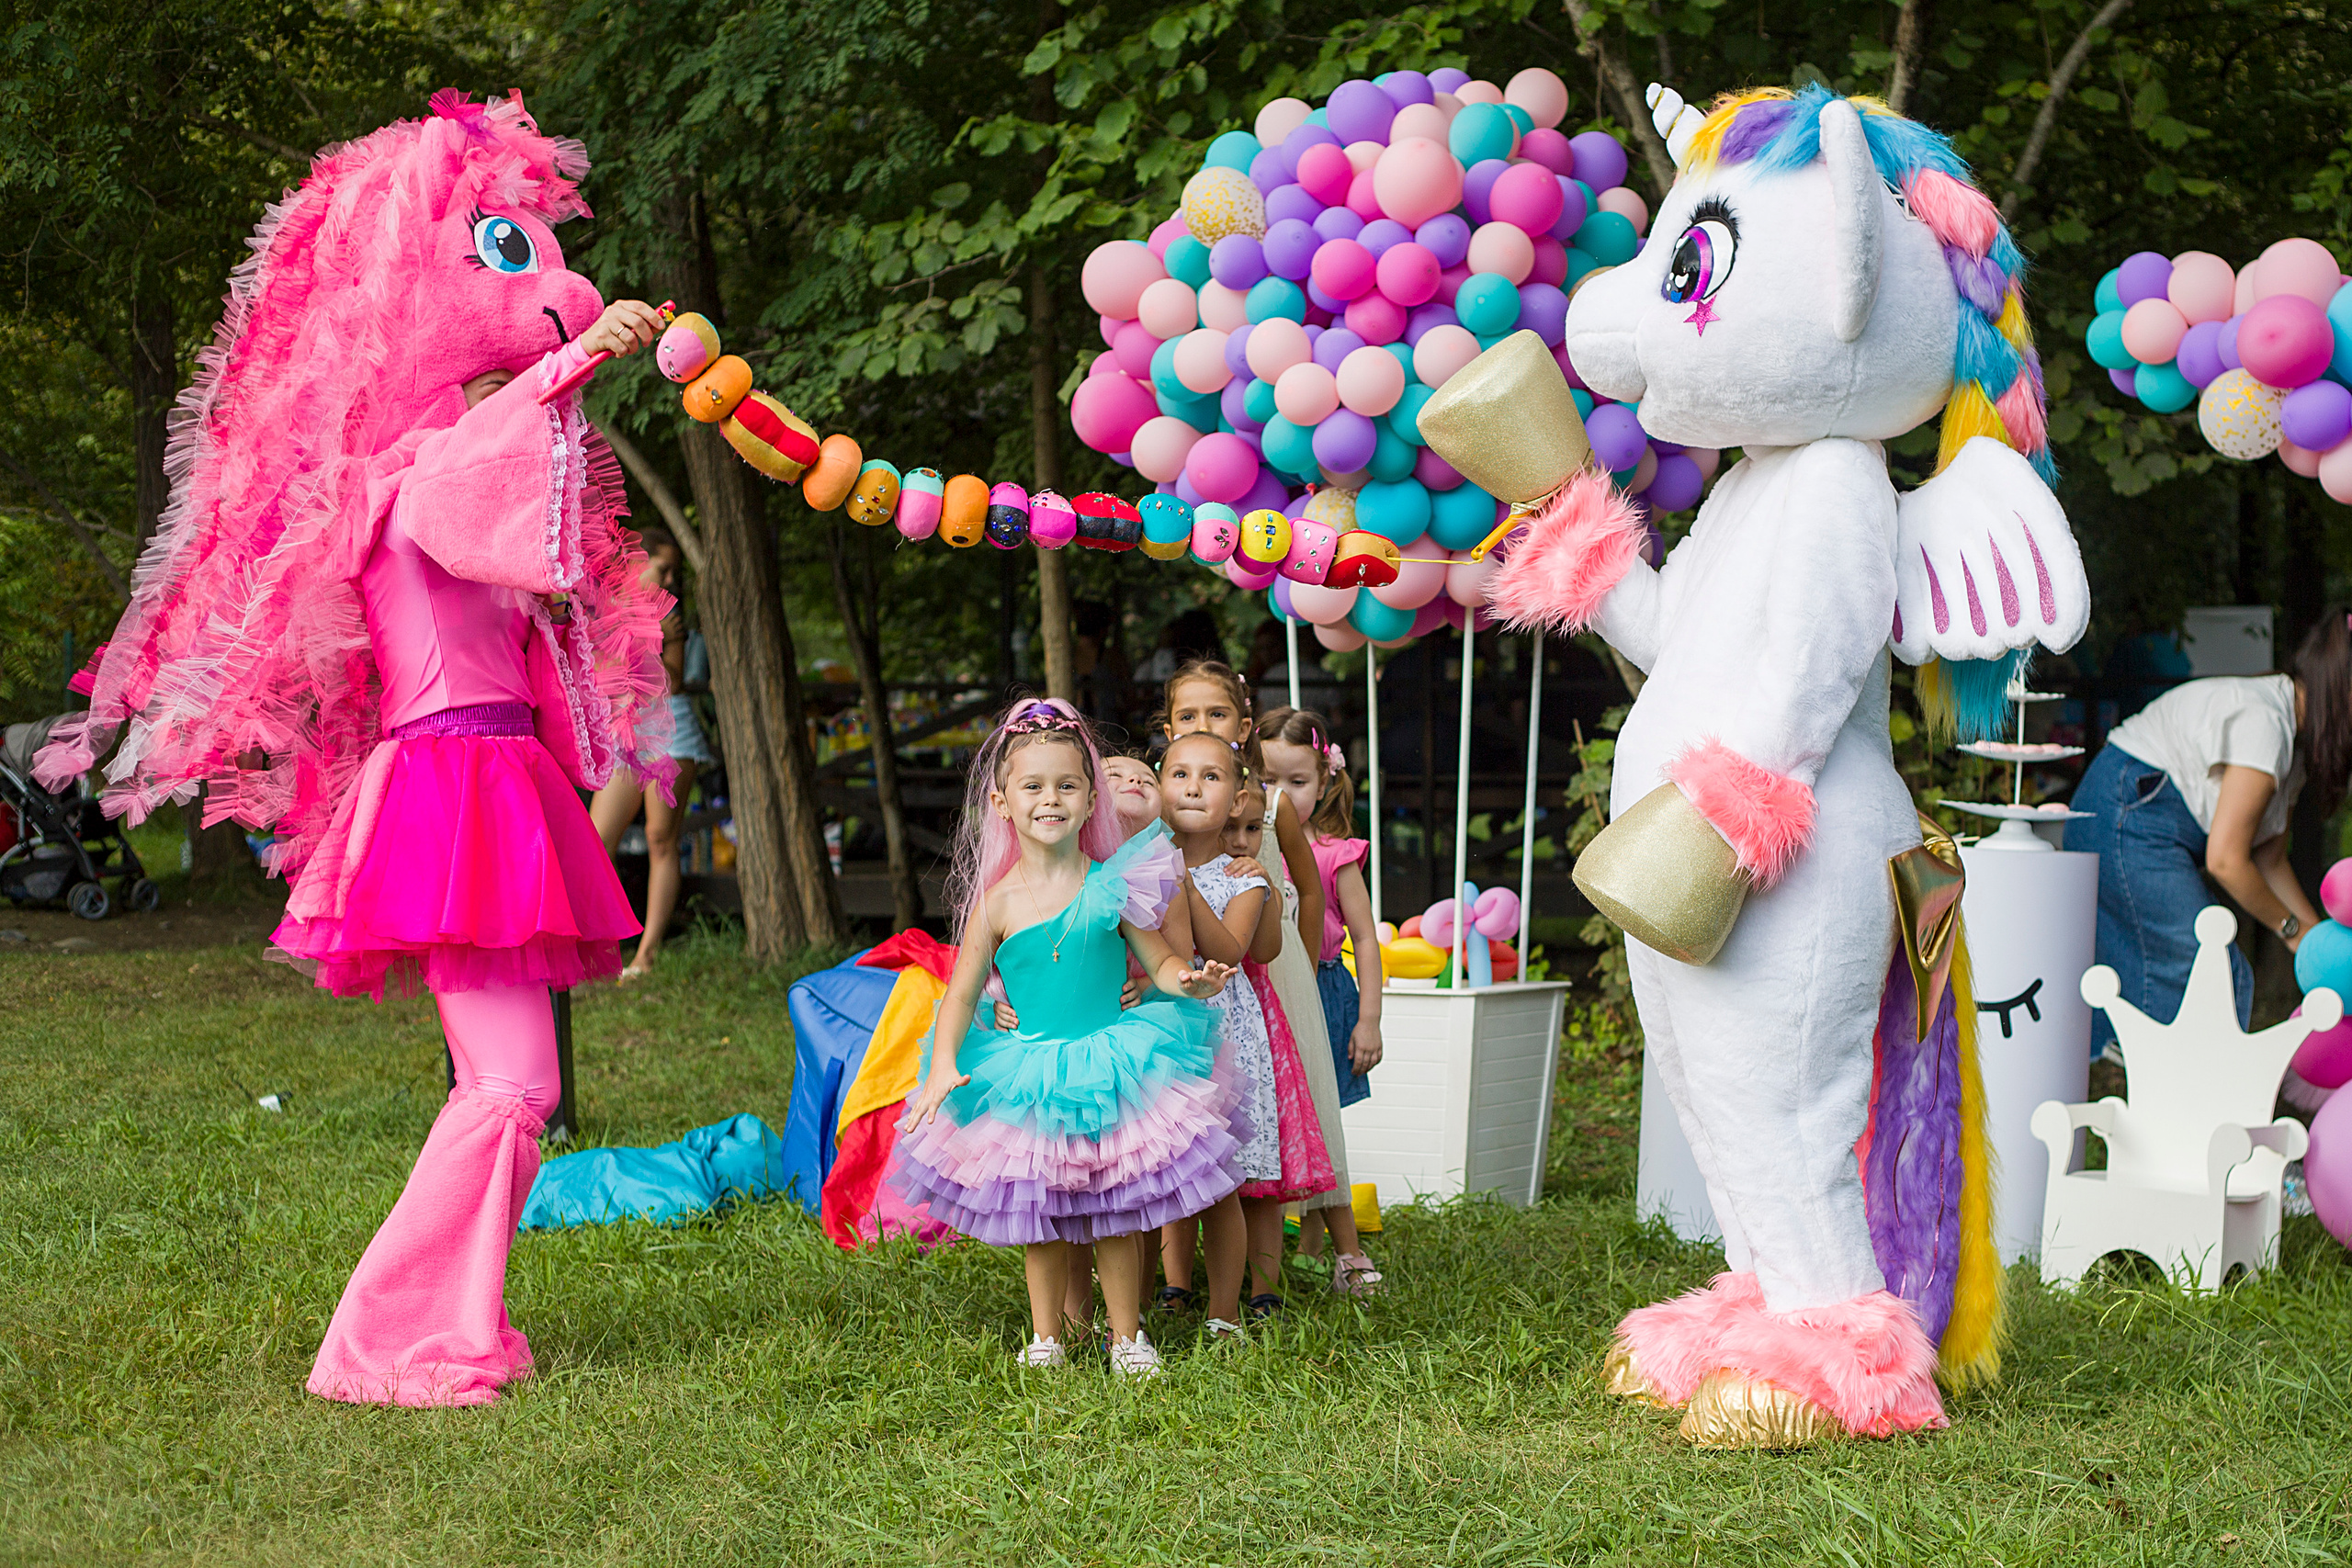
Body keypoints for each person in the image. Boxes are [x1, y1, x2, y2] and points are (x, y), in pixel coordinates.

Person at [36, 95, 680, 1406]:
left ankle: (447, 1323)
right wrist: (577, 358)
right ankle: (388, 1340)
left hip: (485, 777)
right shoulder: (395, 476)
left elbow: (515, 521)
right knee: (510, 1086)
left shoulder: (445, 471)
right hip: (452, 784)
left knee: (509, 1085)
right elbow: (477, 461)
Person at [892, 699, 1240, 1376]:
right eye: (1033, 786)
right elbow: (961, 991)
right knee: (1041, 1217)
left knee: (1114, 1213)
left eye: (1067, 785)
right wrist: (942, 1064)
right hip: (1030, 1075)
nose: (1050, 798)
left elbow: (1159, 960)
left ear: (1090, 801)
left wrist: (1188, 981)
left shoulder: (1112, 883)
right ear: (1002, 803)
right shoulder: (997, 901)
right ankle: (1047, 1335)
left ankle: (1127, 1338)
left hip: (1113, 1064)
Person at [2065, 613, 2351, 1049]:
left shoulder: (2295, 745)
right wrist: (2292, 929)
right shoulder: (2267, 724)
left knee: (2190, 981)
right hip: (2124, 813)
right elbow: (2226, 860)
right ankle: (2171, 1087)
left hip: (2135, 816)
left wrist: (2317, 943)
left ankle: (2147, 1079)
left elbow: (2269, 858)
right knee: (2213, 974)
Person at [1155, 733, 1329, 1325]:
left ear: (1235, 799)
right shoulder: (1140, 865)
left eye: (1210, 776)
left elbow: (1228, 951)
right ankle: (1174, 1285)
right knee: (1175, 1164)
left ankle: (1245, 1299)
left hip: (1229, 1034)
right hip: (1163, 1029)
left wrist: (1183, 883)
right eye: (1180, 775)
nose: (1192, 788)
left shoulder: (1245, 880)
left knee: (1236, 1170)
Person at [1259, 706, 1387, 1295]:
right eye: (1268, 780)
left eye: (1297, 781)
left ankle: (1337, 1250)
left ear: (1326, 779)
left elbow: (1366, 937)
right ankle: (1308, 1248)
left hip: (1326, 990)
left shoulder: (1336, 854)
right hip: (1269, 991)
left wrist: (1369, 1019)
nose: (1281, 794)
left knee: (1320, 1119)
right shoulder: (1246, 843)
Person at [590, 525, 713, 979]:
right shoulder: (605, 609)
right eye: (663, 568)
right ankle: (599, 945)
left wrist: (654, 642)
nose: (670, 580)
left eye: (674, 572)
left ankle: (646, 955)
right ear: (637, 563)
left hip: (670, 731)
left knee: (662, 839)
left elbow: (673, 683)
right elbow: (601, 675)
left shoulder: (671, 616)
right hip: (625, 733)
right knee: (598, 840)